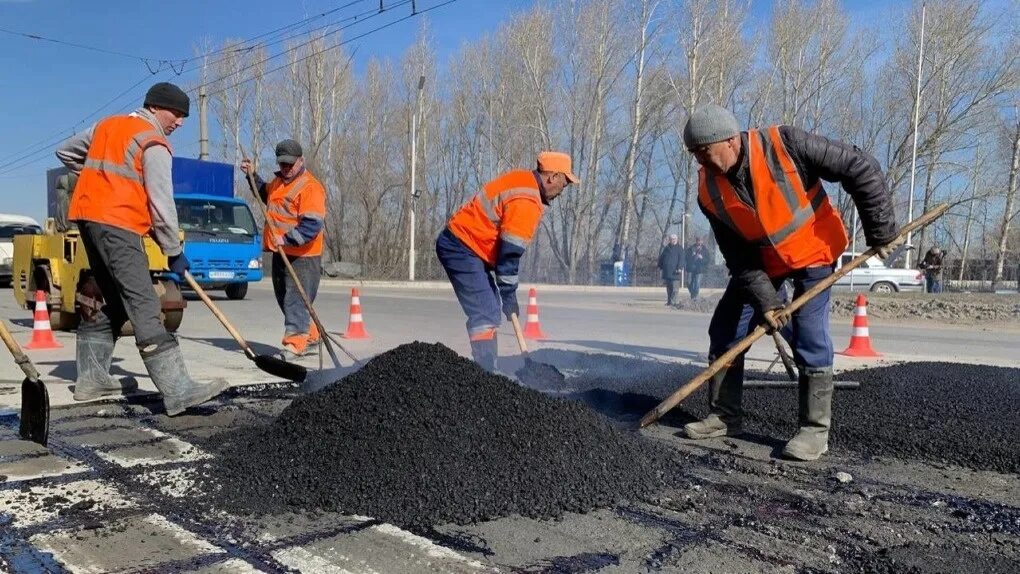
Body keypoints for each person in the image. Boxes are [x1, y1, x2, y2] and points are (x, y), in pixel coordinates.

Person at [680, 104, 900, 461]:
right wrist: (768, 301)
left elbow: (860, 166)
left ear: (731, 141)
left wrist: (881, 231)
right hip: (763, 264)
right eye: (694, 154)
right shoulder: (708, 190)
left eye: (704, 152)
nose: (700, 162)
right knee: (725, 330)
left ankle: (814, 431)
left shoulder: (787, 143)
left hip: (813, 251)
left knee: (809, 334)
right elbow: (738, 257)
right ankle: (724, 415)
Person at [55, 82, 227, 416]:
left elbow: (66, 152)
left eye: (184, 117)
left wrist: (97, 179)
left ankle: (92, 379)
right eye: (177, 114)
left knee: (113, 299)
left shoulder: (106, 126)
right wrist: (173, 251)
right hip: (118, 223)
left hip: (89, 219)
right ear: (156, 107)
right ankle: (177, 390)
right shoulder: (153, 141)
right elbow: (162, 204)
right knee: (144, 303)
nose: (179, 122)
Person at [436, 152, 576, 371]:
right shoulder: (527, 200)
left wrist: (506, 295)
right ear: (552, 177)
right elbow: (509, 256)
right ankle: (485, 376)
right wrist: (509, 295)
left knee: (490, 309)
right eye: (564, 183)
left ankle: (488, 372)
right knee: (486, 313)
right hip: (462, 247)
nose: (562, 190)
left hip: (471, 246)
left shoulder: (523, 180)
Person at [241, 140, 327, 359]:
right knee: (285, 298)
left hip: (303, 256)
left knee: (295, 299)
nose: (287, 168)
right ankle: (311, 334)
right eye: (283, 164)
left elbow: (311, 225)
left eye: (291, 164)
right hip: (281, 252)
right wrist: (252, 175)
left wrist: (286, 239)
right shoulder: (278, 182)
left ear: (301, 161)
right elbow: (265, 194)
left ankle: (295, 342)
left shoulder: (311, 187)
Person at [657, 234, 683, 306]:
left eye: (674, 239)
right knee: (669, 289)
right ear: (669, 240)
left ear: (677, 240)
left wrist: (680, 268)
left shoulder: (679, 248)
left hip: (675, 272)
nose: (673, 240)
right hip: (667, 272)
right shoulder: (666, 248)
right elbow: (662, 258)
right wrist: (660, 266)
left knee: (675, 289)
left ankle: (673, 302)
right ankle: (669, 301)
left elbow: (682, 259)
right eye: (671, 239)